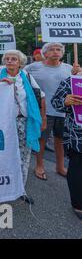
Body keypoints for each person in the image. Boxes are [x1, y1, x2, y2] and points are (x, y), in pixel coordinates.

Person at [0, 50, 45, 204]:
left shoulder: (26, 76)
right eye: (7, 59)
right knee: (3, 153)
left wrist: (43, 118)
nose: (10, 61)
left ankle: (21, 188)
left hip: (24, 121)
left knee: (23, 156)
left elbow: (41, 95)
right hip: (3, 122)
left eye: (13, 59)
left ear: (20, 62)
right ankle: (2, 184)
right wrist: (0, 86)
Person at [25, 42, 80, 180]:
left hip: (65, 111)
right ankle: (39, 165)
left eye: (58, 49)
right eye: (51, 49)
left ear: (62, 53)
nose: (55, 52)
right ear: (45, 53)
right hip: (44, 111)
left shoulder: (69, 68)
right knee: (42, 140)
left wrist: (77, 73)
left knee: (60, 140)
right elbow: (19, 76)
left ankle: (60, 166)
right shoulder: (33, 67)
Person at [51, 77, 82, 221]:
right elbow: (55, 102)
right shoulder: (72, 81)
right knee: (77, 167)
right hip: (78, 134)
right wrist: (65, 101)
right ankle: (78, 204)